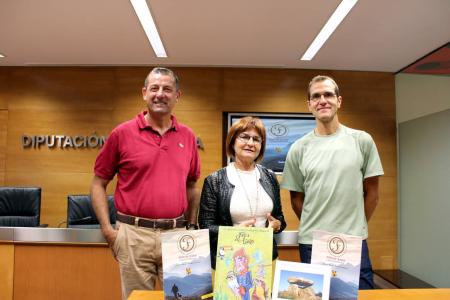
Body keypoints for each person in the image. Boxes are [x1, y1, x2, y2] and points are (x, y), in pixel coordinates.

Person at [90, 67, 200, 299]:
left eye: (167, 89)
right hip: (133, 235)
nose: (160, 94)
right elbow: (98, 183)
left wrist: (190, 226)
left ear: (177, 96)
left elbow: (192, 186)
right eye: (154, 88)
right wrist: (108, 231)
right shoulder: (122, 133)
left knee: (188, 297)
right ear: (144, 93)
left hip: (178, 235)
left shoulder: (188, 136)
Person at [281, 75, 384, 289]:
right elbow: (296, 199)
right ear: (309, 104)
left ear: (339, 100)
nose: (323, 100)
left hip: (352, 241)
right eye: (316, 96)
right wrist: (317, 225)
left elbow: (372, 194)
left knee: (362, 295)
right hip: (312, 242)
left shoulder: (361, 140)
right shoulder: (298, 148)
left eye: (328, 94)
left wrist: (356, 225)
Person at [199, 116, 286, 270]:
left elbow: (279, 218)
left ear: (261, 145)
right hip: (230, 262)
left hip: (265, 258)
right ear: (233, 142)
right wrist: (236, 232)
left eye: (256, 139)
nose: (250, 143)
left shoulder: (270, 177)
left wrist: (277, 225)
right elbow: (206, 227)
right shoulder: (215, 180)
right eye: (244, 137)